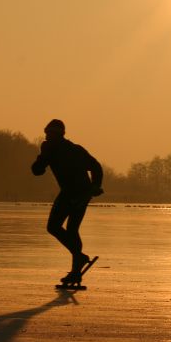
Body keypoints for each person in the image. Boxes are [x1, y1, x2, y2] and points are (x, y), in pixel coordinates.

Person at [31, 119, 103, 281]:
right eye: (46, 133)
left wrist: (95, 186)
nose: (47, 136)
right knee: (63, 229)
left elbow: (96, 166)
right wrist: (41, 157)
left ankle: (77, 261)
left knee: (59, 227)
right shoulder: (54, 148)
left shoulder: (71, 150)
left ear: (59, 134)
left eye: (50, 134)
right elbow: (37, 170)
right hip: (73, 192)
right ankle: (77, 263)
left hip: (78, 193)